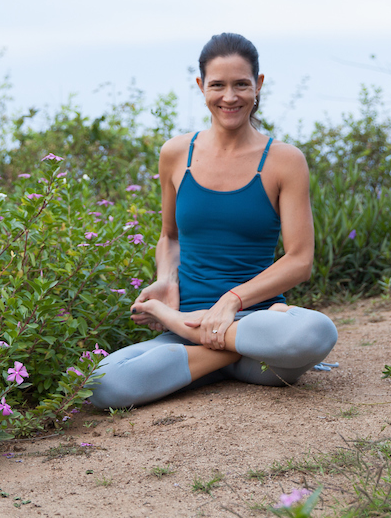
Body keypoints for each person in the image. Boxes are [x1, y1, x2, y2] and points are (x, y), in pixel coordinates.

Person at [89, 33, 339, 409]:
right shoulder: (176, 154)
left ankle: (196, 330)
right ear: (200, 86)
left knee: (316, 332)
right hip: (213, 338)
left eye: (241, 84)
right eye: (217, 85)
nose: (230, 96)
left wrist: (231, 301)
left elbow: (299, 260)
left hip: (258, 328)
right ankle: (218, 349)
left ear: (258, 85)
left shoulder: (285, 160)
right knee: (100, 385)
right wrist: (165, 280)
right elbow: (169, 237)